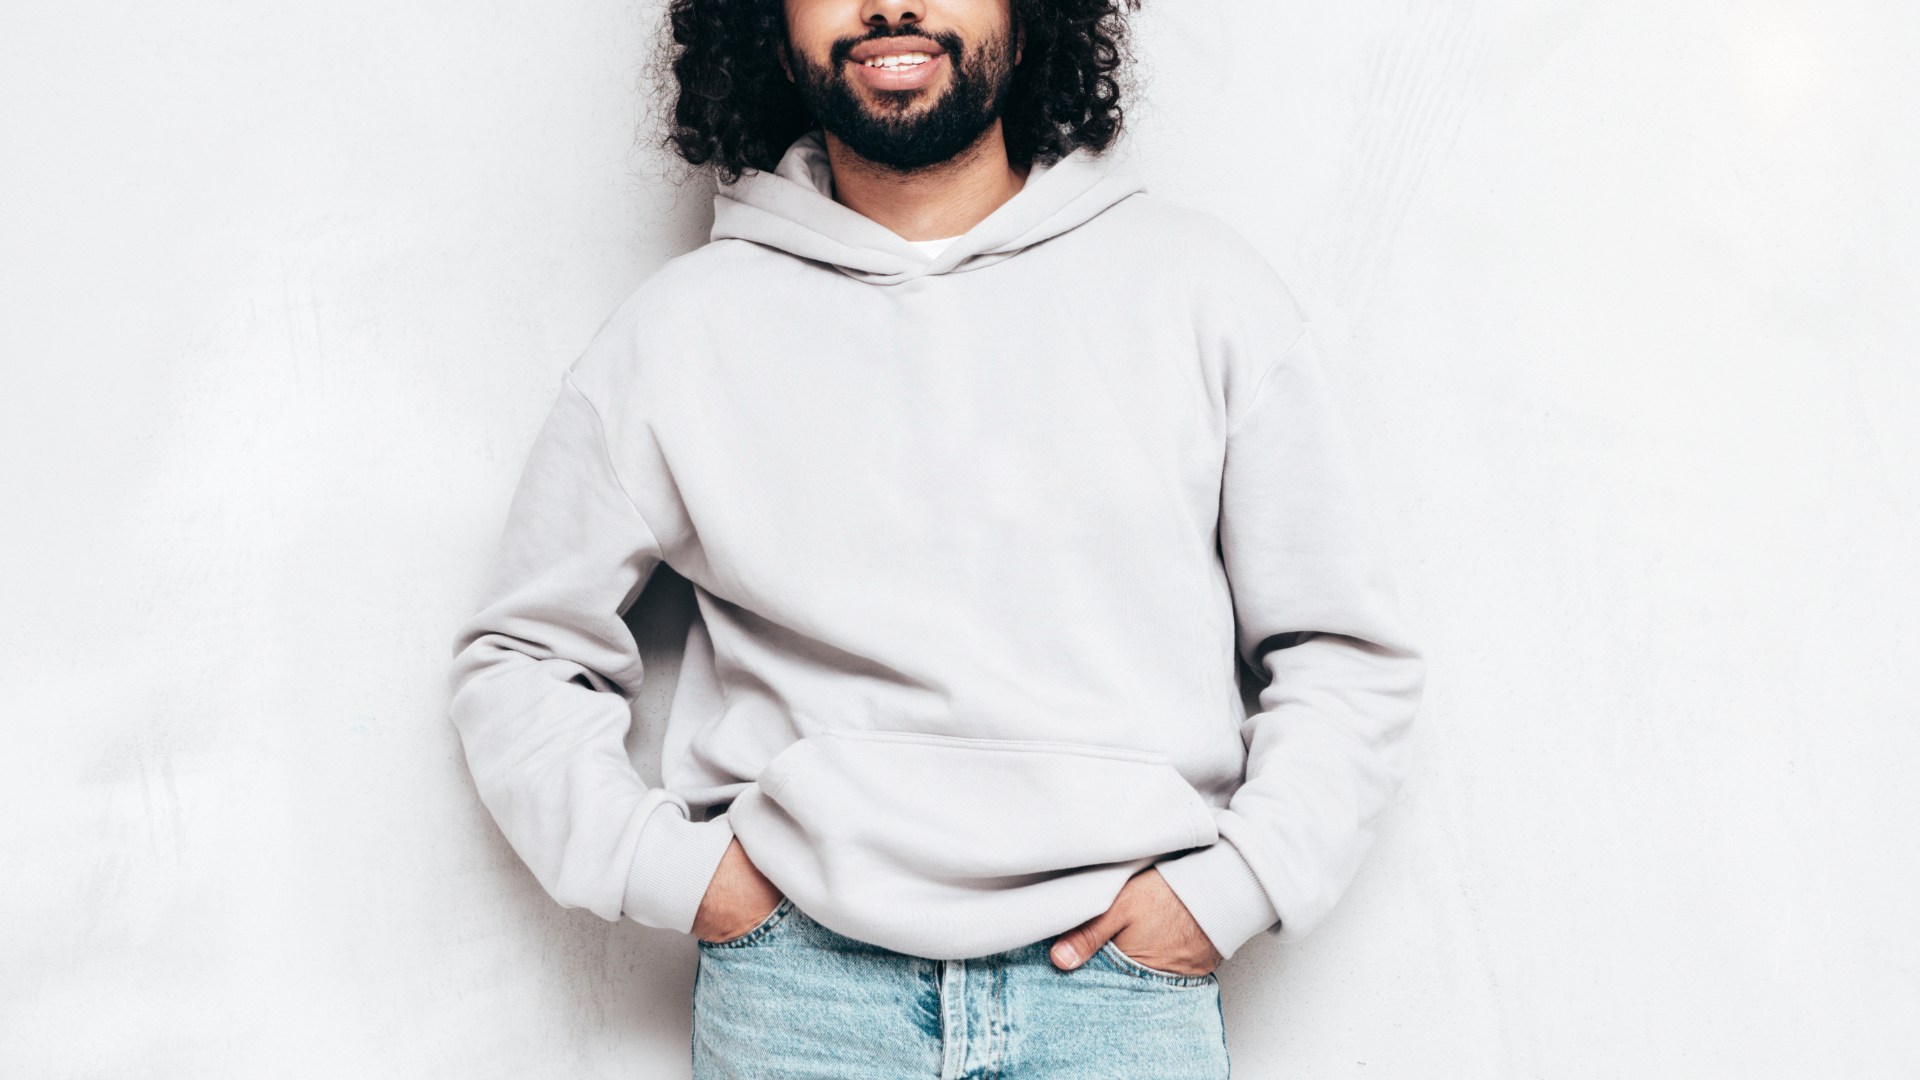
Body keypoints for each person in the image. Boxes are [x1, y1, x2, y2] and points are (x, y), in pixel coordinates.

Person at [445, 0, 1427, 1075]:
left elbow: (1343, 653)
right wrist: (677, 877)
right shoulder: (678, 330)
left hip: (1117, 1000)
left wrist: (1234, 890)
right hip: (800, 1001)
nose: (891, 3)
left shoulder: (1202, 294)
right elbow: (521, 656)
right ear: (770, 28)